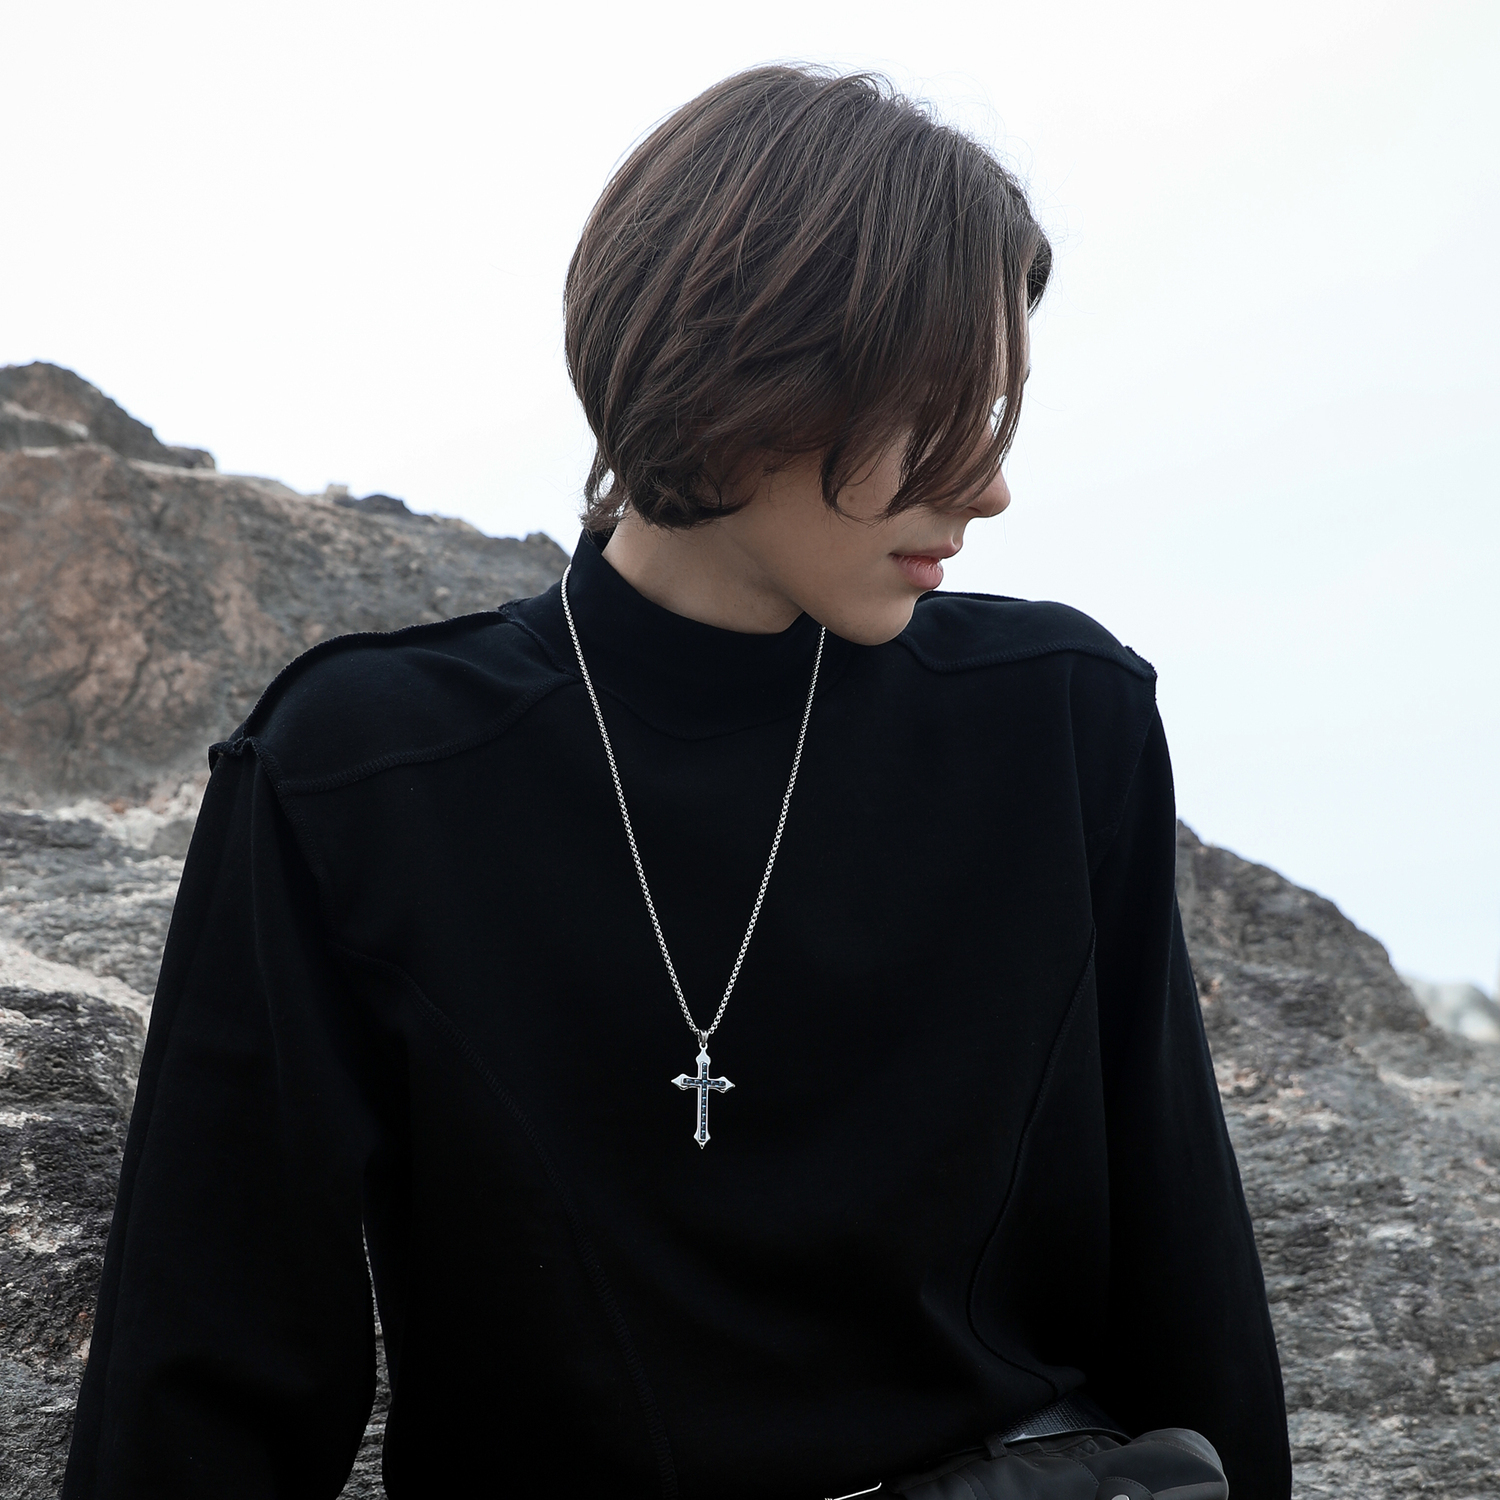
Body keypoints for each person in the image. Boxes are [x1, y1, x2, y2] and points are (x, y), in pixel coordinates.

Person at [63, 66, 1291, 1500]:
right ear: (749, 377)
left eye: (998, 414)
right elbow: (209, 1376)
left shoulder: (1056, 717)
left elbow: (1186, 1278)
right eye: (939, 413)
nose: (988, 486)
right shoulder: (365, 772)